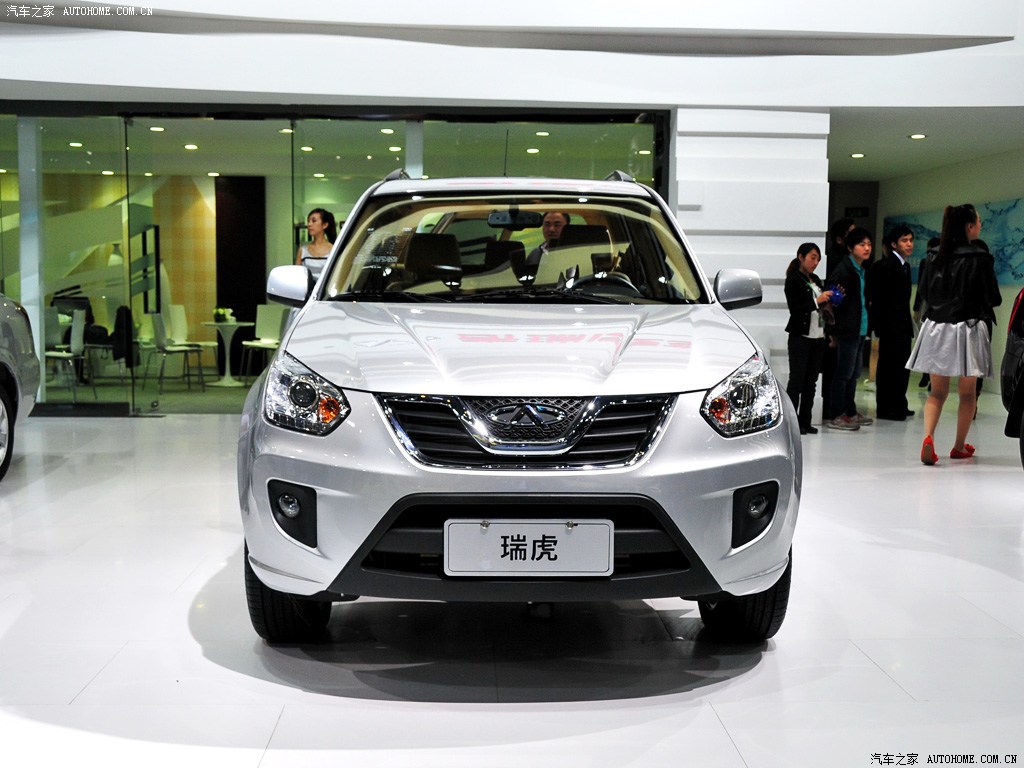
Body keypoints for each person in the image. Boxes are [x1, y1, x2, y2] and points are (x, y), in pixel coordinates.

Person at [907, 204, 1001, 465]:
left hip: (937, 327)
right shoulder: (980, 258)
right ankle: (959, 446)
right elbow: (993, 297)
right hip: (968, 329)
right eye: (978, 221)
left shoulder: (933, 255)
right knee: (967, 393)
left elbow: (925, 293)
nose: (980, 225)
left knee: (937, 392)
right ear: (970, 227)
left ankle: (928, 437)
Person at [825, 226, 874, 431]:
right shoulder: (844, 270)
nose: (867, 248)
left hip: (859, 328)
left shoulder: (860, 270)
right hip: (847, 329)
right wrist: (832, 331)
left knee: (854, 373)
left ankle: (850, 411)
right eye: (862, 244)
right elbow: (832, 303)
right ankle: (837, 413)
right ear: (850, 247)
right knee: (844, 373)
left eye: (869, 244)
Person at [867, 224, 916, 420]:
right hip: (890, 325)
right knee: (889, 367)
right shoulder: (885, 266)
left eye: (911, 240)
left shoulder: (905, 266)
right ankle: (887, 408)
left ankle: (899, 403)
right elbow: (879, 299)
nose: (909, 244)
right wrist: (879, 326)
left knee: (901, 366)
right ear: (894, 244)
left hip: (902, 324)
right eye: (904, 240)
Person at [784, 243, 834, 434]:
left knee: (811, 383)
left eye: (818, 259)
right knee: (796, 381)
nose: (815, 262)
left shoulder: (815, 279)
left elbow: (823, 307)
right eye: (812, 257)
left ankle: (805, 421)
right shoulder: (793, 280)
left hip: (818, 336)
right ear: (801, 257)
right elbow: (795, 309)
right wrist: (816, 301)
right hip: (801, 336)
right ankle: (792, 423)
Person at [821, 217, 856, 421]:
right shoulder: (837, 262)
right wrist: (831, 330)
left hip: (843, 325)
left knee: (846, 370)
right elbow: (833, 300)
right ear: (840, 239)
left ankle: (844, 409)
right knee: (836, 370)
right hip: (837, 326)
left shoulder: (848, 262)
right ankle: (834, 410)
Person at [295, 208, 337, 279]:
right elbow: (297, 277)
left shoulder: (334, 250)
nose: (309, 224)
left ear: (325, 225)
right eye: (308, 221)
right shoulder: (302, 250)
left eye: (314, 221)